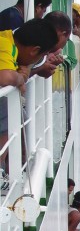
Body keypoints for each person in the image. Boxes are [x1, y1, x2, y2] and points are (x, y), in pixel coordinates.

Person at [0, 19, 58, 172]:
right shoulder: (5, 44)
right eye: (41, 56)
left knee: (20, 116)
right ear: (34, 50)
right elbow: (5, 77)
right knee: (8, 109)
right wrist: (20, 79)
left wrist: (21, 72)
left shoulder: (9, 43)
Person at [32, 11, 72, 78]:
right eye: (67, 39)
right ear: (64, 33)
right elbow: (19, 74)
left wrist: (44, 64)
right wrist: (39, 69)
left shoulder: (38, 41)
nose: (66, 42)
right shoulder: (33, 45)